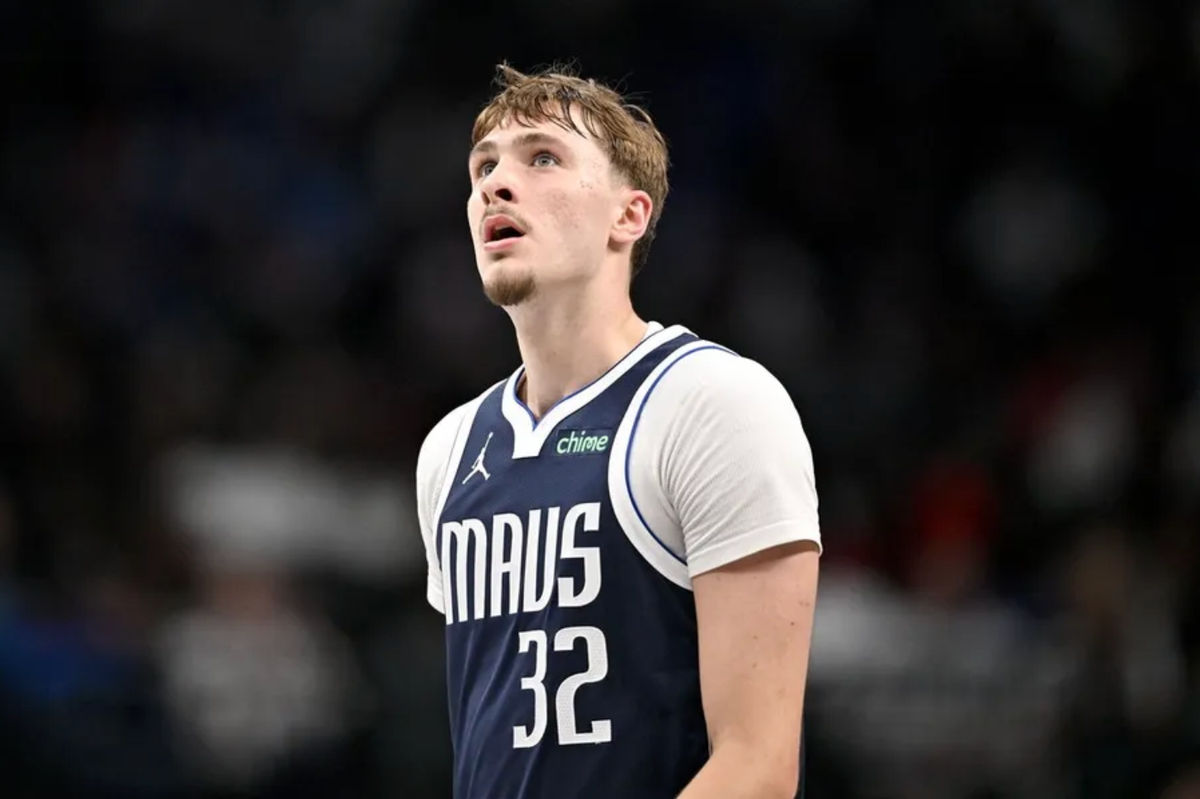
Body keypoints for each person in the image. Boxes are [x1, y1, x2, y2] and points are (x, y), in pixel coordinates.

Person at [415, 63, 821, 799]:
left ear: (627, 216)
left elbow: (759, 766)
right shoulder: (449, 449)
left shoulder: (712, 402)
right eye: (483, 166)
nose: (494, 185)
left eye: (542, 157)